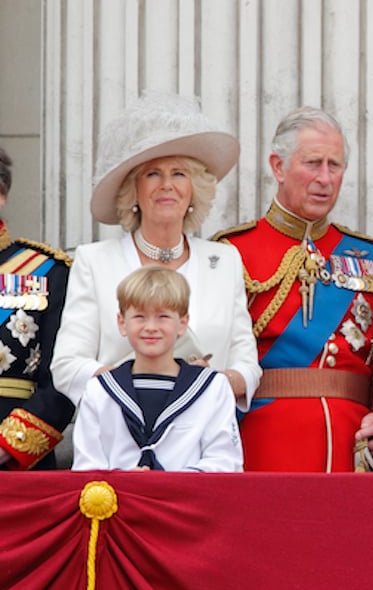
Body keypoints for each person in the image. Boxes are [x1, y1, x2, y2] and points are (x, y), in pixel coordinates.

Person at [216, 107, 373, 472]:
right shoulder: (231, 252)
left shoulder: (372, 257)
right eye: (313, 163)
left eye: (334, 165)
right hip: (261, 446)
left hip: (350, 450)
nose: (325, 178)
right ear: (278, 166)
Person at [51, 92, 261, 434]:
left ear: (194, 189)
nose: (167, 186)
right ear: (132, 190)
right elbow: (66, 366)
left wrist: (201, 388)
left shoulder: (223, 261)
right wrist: (136, 385)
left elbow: (248, 366)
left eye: (179, 173)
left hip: (204, 438)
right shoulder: (94, 261)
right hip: (117, 437)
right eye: (152, 174)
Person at [72, 266, 242, 472]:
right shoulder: (99, 390)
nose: (151, 327)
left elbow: (225, 463)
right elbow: (86, 467)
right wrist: (125, 482)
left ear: (182, 323)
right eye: (140, 317)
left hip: (187, 501)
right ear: (122, 323)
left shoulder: (213, 388)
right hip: (118, 501)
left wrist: (162, 485)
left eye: (163, 317)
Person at [0, 149, 75, 469]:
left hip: (17, 466)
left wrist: (7, 446)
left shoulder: (46, 271)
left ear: (2, 194)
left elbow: (63, 378)